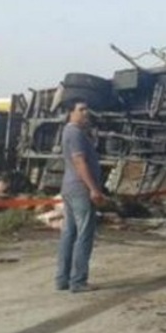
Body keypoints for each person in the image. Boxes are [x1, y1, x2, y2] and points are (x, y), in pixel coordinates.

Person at [55, 98, 106, 293]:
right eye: (82, 109)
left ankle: (62, 278)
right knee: (84, 234)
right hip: (80, 190)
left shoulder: (71, 132)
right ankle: (78, 281)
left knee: (69, 233)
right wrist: (93, 189)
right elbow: (80, 162)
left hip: (70, 188)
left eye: (87, 109)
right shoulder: (75, 133)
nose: (86, 113)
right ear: (71, 112)